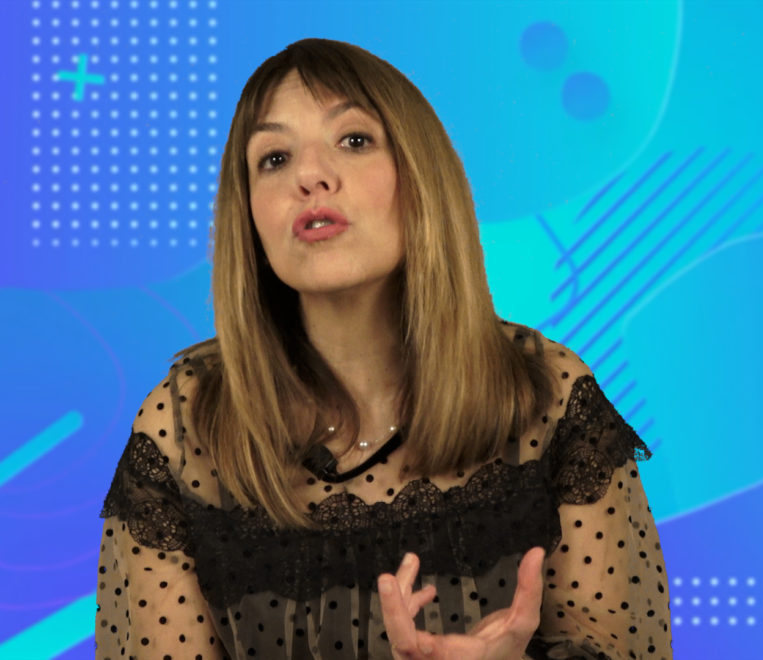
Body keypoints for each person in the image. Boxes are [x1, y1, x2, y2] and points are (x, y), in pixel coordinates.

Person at [94, 38, 672, 659]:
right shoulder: (184, 428)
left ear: (421, 176)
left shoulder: (547, 395)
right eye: (274, 158)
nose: (309, 176)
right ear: (250, 218)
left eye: (353, 140)